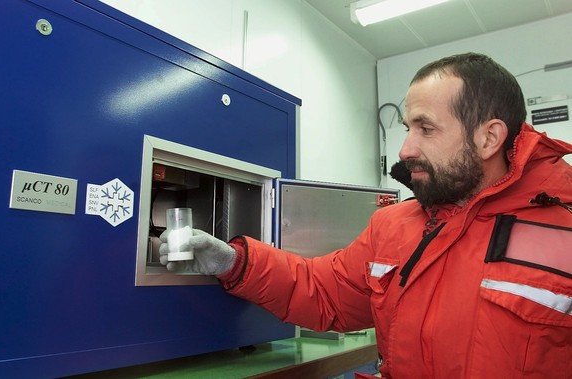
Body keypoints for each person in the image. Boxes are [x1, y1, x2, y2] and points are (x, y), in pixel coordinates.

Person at [160, 52, 572, 378]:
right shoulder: (393, 226)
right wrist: (233, 262)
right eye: (407, 128)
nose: (406, 150)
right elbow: (322, 292)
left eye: (425, 128)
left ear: (489, 137)